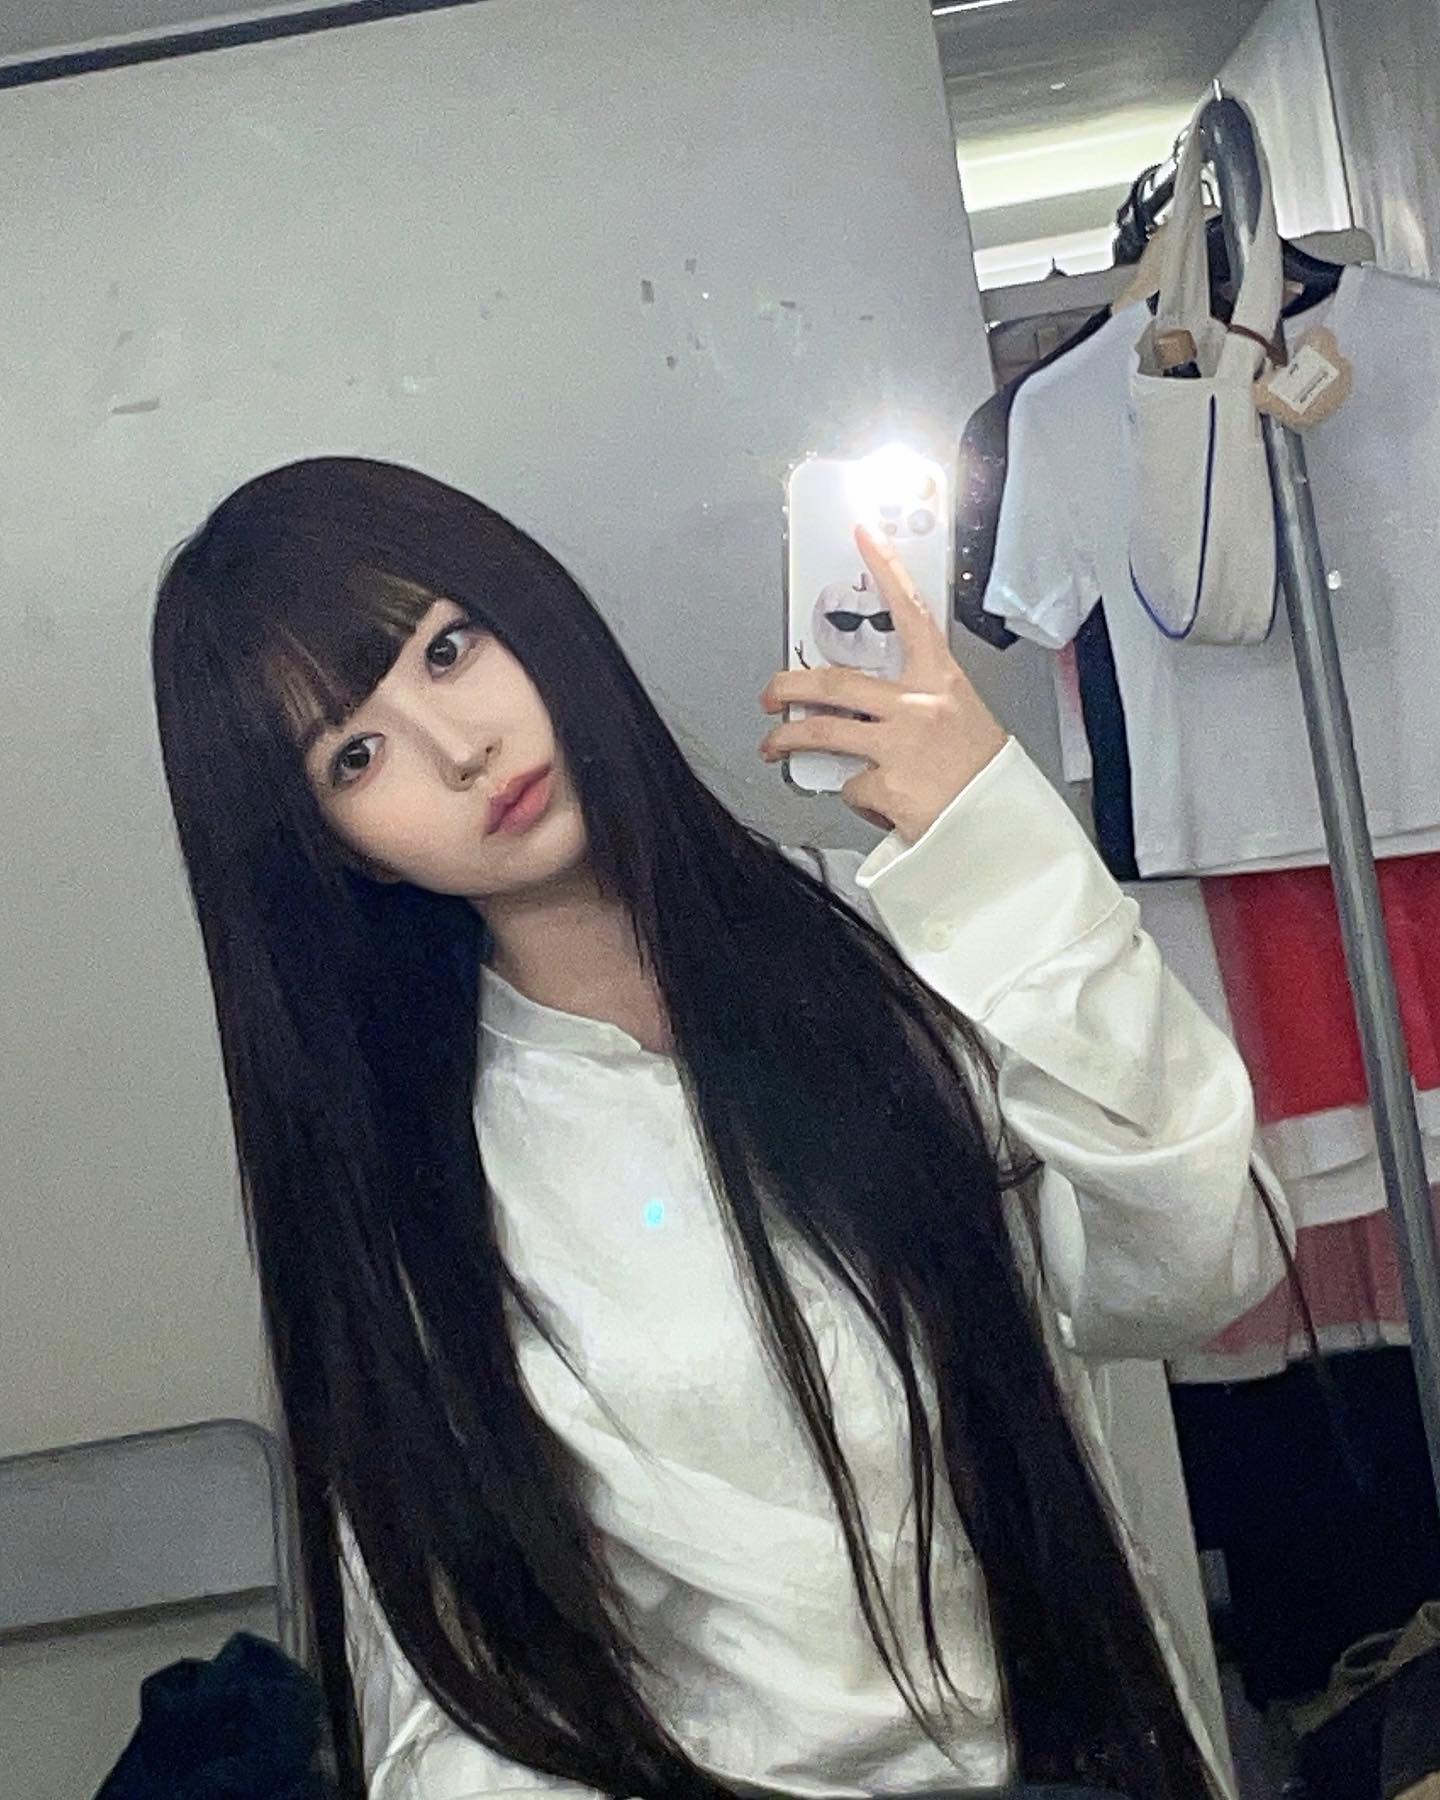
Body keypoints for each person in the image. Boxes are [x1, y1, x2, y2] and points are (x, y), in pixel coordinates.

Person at [150, 456, 1287, 1800]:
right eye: (357, 753)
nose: (459, 750)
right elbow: (452, 1717)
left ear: (532, 608)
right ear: (338, 847)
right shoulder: (422, 1191)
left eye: (449, 649)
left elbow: (1199, 1263)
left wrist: (996, 847)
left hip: (1098, 1752)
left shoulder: (899, 949)